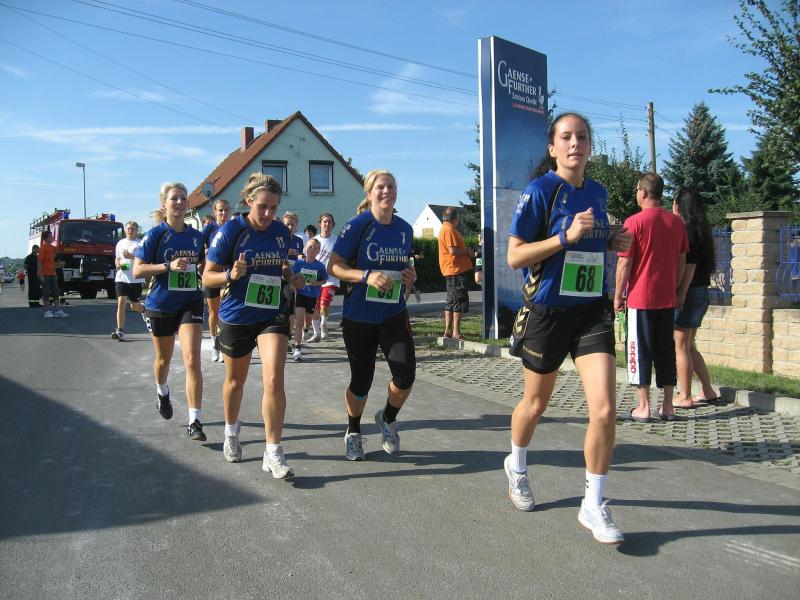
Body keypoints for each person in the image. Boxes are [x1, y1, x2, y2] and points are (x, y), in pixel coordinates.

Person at [505, 113, 632, 545]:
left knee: (605, 410)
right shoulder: (539, 191)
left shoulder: (598, 191)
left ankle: (593, 503)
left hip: (591, 311)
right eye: (566, 137)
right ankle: (517, 464)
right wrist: (565, 237)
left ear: (590, 146)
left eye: (582, 137)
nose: (575, 143)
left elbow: (592, 242)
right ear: (553, 147)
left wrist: (611, 240)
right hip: (547, 313)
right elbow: (515, 256)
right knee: (535, 405)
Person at [202, 172, 305, 479]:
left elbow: (281, 264)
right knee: (236, 381)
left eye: (274, 207)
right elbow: (207, 276)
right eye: (263, 206)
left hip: (271, 313)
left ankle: (273, 451)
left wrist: (290, 276)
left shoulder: (280, 232)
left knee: (274, 379)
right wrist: (230, 275)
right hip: (237, 316)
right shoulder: (231, 231)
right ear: (249, 201)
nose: (269, 213)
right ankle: (231, 431)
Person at [329, 169, 417, 461]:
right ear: (369, 193)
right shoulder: (357, 226)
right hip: (359, 317)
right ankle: (353, 431)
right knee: (361, 381)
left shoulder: (405, 229)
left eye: (391, 186)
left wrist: (410, 276)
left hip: (393, 313)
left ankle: (388, 419)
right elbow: (334, 266)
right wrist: (366, 276)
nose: (386, 191)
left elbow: (403, 268)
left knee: (405, 376)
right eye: (381, 187)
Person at [133, 182, 206, 441]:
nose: (179, 202)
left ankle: (195, 421)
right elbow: (138, 270)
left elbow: (203, 266)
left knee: (192, 359)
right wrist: (168, 266)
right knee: (163, 359)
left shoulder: (197, 236)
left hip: (190, 302)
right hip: (161, 304)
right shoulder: (155, 235)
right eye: (174, 198)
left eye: (183, 198)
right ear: (164, 204)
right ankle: (162, 392)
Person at [615, 173, 687, 422]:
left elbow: (625, 263)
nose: (636, 193)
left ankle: (643, 407)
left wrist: (618, 295)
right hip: (667, 299)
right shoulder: (676, 223)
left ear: (643, 192)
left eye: (637, 190)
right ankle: (667, 406)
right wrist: (675, 288)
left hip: (640, 299)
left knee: (638, 350)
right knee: (666, 349)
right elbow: (682, 259)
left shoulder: (633, 222)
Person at [672, 188, 720, 406]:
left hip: (690, 293)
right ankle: (707, 390)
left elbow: (689, 265)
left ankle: (685, 396)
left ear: (681, 205)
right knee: (690, 346)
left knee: (681, 346)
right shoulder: (702, 230)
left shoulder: (687, 230)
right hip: (701, 292)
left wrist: (680, 292)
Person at [201, 199, 231, 362]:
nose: (223, 213)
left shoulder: (233, 227)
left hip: (227, 274)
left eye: (226, 210)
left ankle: (225, 343)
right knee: (213, 311)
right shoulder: (209, 228)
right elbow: (197, 245)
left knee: (225, 310)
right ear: (215, 212)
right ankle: (215, 344)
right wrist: (204, 255)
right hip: (212, 274)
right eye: (220, 210)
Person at [438, 207, 473, 339]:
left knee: (451, 299)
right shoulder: (449, 230)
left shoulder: (445, 228)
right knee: (458, 299)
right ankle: (456, 332)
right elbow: (453, 250)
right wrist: (468, 252)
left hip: (452, 269)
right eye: (457, 218)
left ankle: (448, 330)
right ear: (454, 218)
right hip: (456, 269)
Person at [290, 238, 327, 361]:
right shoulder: (299, 263)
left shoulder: (320, 266)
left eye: (315, 248)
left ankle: (306, 330)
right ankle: (297, 349)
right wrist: (293, 284)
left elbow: (324, 280)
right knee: (299, 321)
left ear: (318, 251)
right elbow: (292, 277)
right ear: (305, 247)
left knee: (308, 320)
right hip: (301, 294)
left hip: (312, 296)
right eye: (310, 246)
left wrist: (316, 283)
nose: (312, 249)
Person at [111, 221, 145, 341]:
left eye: (133, 229)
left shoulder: (140, 243)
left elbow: (144, 260)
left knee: (134, 306)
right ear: (125, 230)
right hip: (121, 277)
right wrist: (117, 264)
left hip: (135, 278)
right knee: (121, 302)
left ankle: (144, 310)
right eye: (128, 228)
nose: (130, 231)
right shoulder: (120, 243)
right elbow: (117, 258)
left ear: (137, 230)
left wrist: (130, 256)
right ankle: (120, 330)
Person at [309, 213, 338, 342]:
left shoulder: (337, 240)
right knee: (314, 307)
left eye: (329, 222)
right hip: (315, 279)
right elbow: (307, 257)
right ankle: (316, 333)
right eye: (325, 221)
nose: (327, 224)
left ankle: (323, 325)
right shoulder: (314, 240)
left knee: (324, 304)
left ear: (333, 224)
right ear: (320, 224)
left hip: (331, 279)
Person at [282, 211, 306, 354]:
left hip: (292, 278)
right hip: (279, 277)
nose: (289, 227)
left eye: (292, 224)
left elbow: (300, 258)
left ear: (296, 225)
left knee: (290, 307)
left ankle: (287, 338)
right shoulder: (278, 239)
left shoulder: (298, 241)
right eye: (287, 224)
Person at [38, 230, 68, 318]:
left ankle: (58, 311)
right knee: (46, 293)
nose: (52, 238)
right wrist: (41, 275)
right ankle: (46, 312)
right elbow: (39, 262)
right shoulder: (42, 248)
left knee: (56, 292)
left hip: (53, 273)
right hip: (45, 273)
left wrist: (59, 265)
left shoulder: (53, 248)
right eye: (51, 237)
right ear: (46, 238)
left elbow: (54, 259)